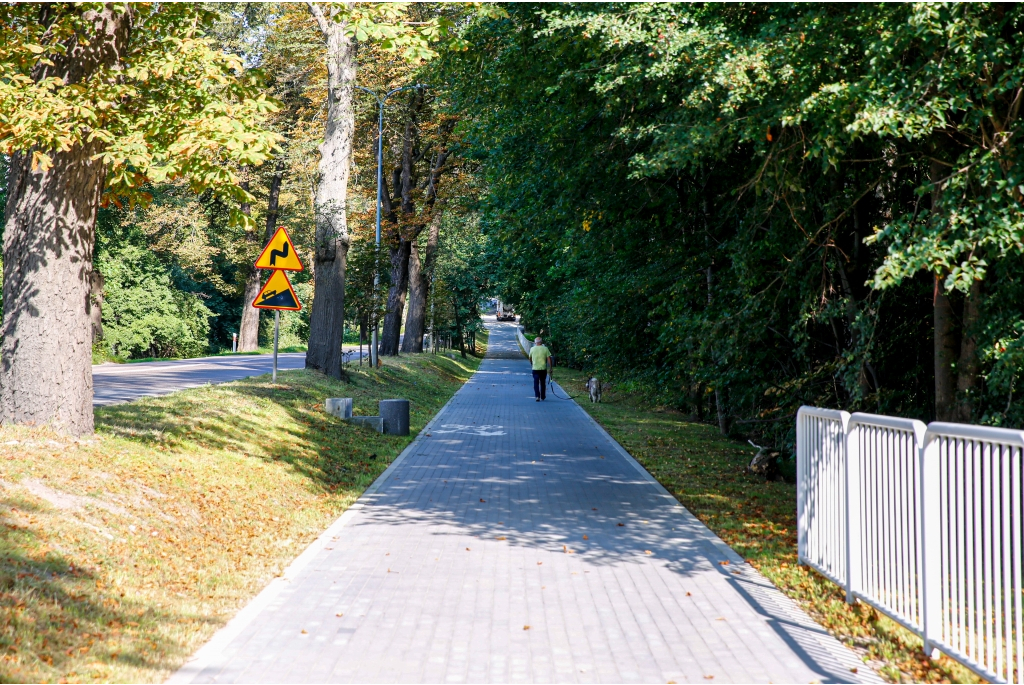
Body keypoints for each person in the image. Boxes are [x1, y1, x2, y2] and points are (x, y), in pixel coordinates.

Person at [529, 336, 553, 401]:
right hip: (543, 369)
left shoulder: (532, 349)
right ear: (541, 342)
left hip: (535, 368)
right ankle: (542, 396)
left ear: (535, 342)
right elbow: (549, 359)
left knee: (536, 383)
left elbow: (530, 358)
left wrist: (531, 363)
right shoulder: (545, 349)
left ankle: (537, 396)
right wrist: (550, 368)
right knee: (542, 383)